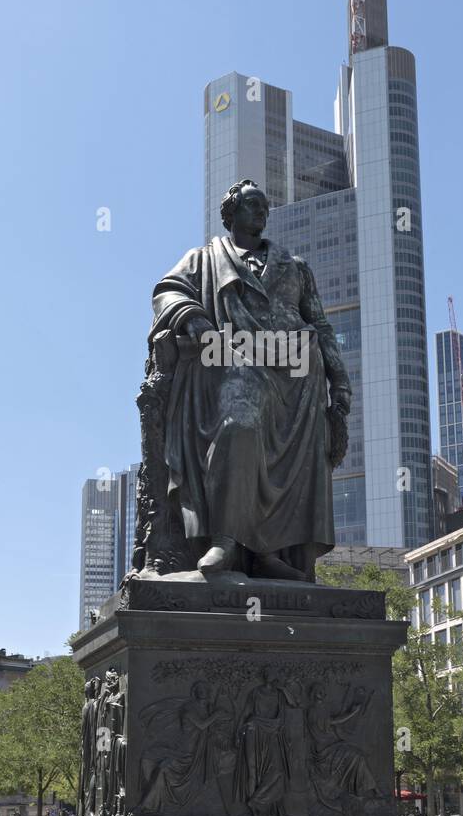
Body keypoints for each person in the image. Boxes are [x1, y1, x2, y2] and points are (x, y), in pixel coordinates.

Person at [145, 179, 351, 582]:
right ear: (230, 214)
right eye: (252, 205)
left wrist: (340, 385)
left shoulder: (296, 266)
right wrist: (198, 322)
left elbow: (321, 325)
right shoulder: (204, 259)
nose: (261, 212)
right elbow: (166, 292)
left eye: (264, 206)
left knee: (298, 453)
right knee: (239, 429)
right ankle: (227, 540)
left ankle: (270, 551)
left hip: (297, 376)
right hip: (230, 360)